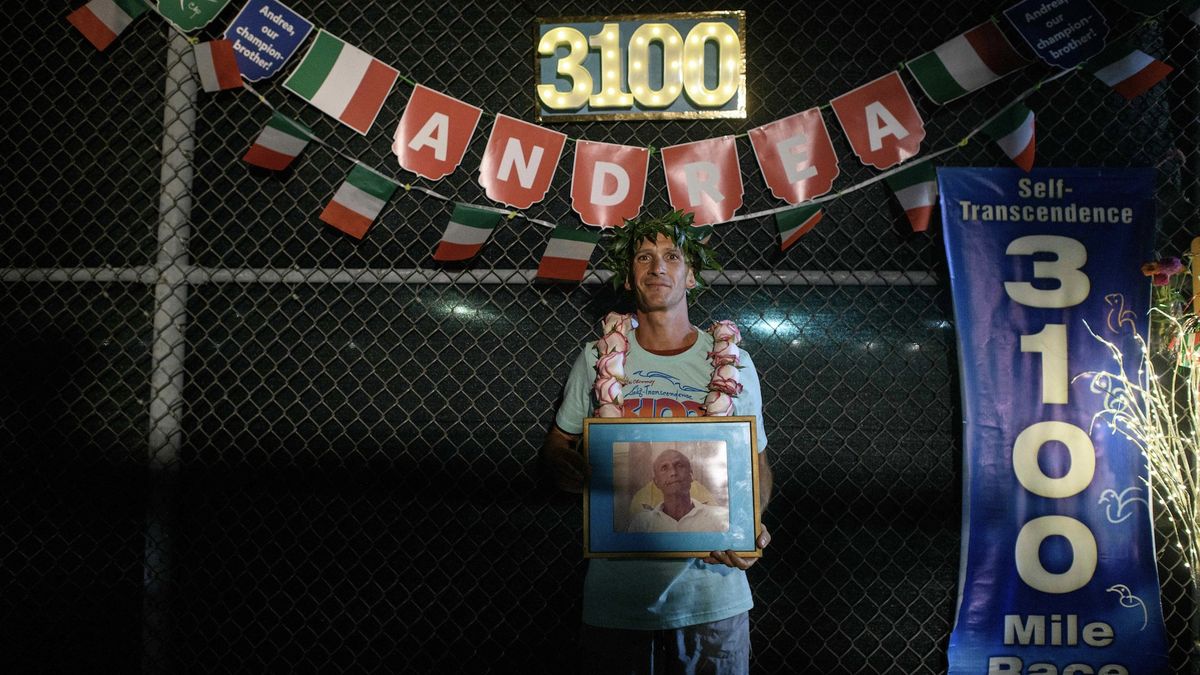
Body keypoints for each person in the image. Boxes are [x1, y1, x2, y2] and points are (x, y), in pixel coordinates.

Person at [540, 210, 773, 674]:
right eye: (644, 257)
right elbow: (556, 447)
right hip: (619, 593)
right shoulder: (595, 357)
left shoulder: (734, 361)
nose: (657, 267)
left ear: (690, 274)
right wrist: (567, 470)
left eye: (671, 256)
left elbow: (757, 462)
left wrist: (750, 528)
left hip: (713, 590)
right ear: (629, 277)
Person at [626, 448, 729, 533]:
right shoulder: (641, 523)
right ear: (656, 482)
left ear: (691, 475)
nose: (673, 472)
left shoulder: (719, 519)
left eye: (679, 466)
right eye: (664, 468)